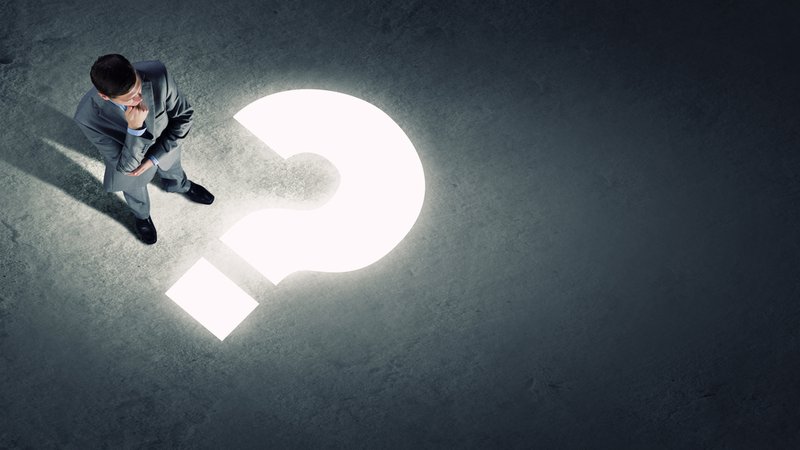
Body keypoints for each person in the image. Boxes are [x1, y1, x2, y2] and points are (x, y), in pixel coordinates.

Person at [73, 54, 214, 244]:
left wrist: (154, 158)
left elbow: (184, 117)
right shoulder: (88, 117)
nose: (140, 99)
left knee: (173, 168)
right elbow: (125, 167)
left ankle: (180, 185)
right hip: (129, 161)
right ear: (105, 97)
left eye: (140, 88)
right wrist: (135, 129)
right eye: (131, 98)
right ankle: (142, 216)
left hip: (165, 145)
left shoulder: (158, 74)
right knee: (134, 188)